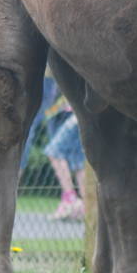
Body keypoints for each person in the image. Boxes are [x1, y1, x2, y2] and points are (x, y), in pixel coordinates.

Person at [43, 93, 86, 221]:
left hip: (76, 113)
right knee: (78, 162)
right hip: (75, 113)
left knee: (54, 151)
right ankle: (86, 207)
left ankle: (70, 200)